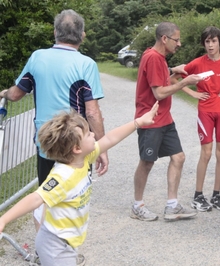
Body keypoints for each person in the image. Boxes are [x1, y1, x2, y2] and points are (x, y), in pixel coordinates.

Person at [0, 102, 158, 266]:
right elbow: (35, 198)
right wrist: (3, 220)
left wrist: (138, 122)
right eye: (88, 133)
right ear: (76, 148)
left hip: (67, 242)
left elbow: (110, 138)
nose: (92, 134)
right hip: (55, 246)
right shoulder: (63, 176)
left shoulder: (84, 158)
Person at [0, 9, 108, 228]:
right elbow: (93, 112)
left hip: (47, 140)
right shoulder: (87, 64)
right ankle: (64, 247)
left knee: (46, 193)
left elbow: (16, 94)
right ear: (82, 35)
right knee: (74, 195)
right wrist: (101, 147)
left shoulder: (37, 57)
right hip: (76, 142)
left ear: (55, 32)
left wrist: (3, 93)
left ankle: (44, 249)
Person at [170, 26, 220, 211]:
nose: (210, 45)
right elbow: (173, 79)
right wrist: (192, 93)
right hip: (205, 111)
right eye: (207, 41)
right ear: (203, 44)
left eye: (213, 41)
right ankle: (198, 196)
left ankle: (216, 195)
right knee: (206, 153)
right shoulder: (197, 63)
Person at [132, 22, 203, 221]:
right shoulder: (153, 58)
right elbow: (159, 93)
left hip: (165, 119)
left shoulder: (159, 58)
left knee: (178, 157)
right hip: (150, 120)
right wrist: (183, 83)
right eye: (176, 39)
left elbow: (161, 83)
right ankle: (137, 205)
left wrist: (173, 74)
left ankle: (172, 205)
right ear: (165, 39)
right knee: (147, 162)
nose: (179, 44)